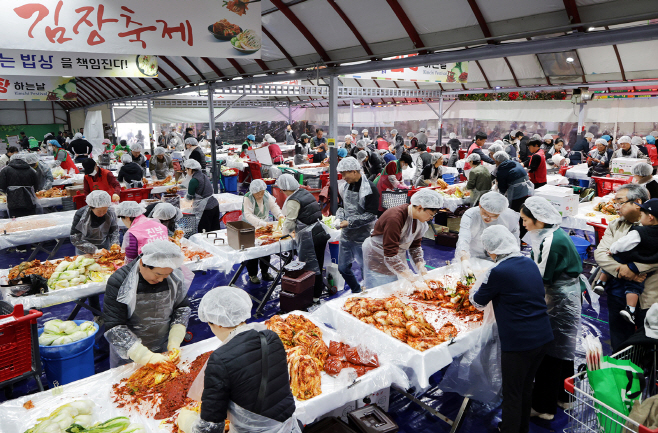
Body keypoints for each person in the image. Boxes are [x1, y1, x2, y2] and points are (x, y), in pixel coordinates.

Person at [176, 286, 298, 433]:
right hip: (290, 427)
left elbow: (210, 429)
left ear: (219, 323)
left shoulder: (220, 359)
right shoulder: (271, 337)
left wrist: (187, 422)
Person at [470, 225, 553, 433]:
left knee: (512, 393)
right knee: (525, 388)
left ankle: (509, 429)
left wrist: (475, 285)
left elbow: (478, 302)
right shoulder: (528, 262)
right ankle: (520, 428)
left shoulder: (499, 271)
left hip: (519, 343)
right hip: (543, 336)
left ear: (492, 250)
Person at [519, 197, 584, 420]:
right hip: (565, 295)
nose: (524, 224)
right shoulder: (550, 234)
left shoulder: (551, 241)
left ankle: (543, 407)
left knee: (549, 353)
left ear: (538, 219)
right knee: (562, 351)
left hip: (559, 300)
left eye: (526, 220)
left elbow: (539, 280)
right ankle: (564, 397)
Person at [103, 240, 191, 368]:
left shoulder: (174, 278)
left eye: (167, 274)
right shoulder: (120, 281)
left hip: (163, 346)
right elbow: (114, 326)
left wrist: (174, 340)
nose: (161, 279)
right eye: (158, 274)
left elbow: (181, 308)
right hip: (130, 352)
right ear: (142, 263)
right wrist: (144, 356)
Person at [593, 184, 656, 351]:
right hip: (617, 292)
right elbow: (601, 254)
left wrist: (635, 268)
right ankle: (621, 373)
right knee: (620, 341)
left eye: (620, 202)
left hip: (648, 296)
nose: (615, 206)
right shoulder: (616, 225)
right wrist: (622, 270)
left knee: (646, 343)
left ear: (637, 202)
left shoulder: (654, 227)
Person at [362, 189, 443, 289]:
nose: (431, 218)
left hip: (396, 258)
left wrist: (423, 271)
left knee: (398, 289)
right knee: (380, 294)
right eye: (431, 215)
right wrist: (413, 280)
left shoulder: (419, 221)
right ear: (420, 208)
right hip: (378, 258)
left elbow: (415, 247)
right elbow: (390, 255)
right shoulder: (395, 218)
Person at [276, 174, 330, 302]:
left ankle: (313, 296)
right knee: (319, 264)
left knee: (311, 267)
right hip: (319, 231)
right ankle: (317, 291)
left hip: (309, 236)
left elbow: (290, 222)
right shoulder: (304, 192)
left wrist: (282, 235)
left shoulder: (293, 200)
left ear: (284, 189)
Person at [336, 157, 379, 294]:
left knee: (365, 270)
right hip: (347, 235)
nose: (343, 177)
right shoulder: (347, 186)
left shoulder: (369, 189)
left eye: (344, 174)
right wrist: (339, 218)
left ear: (354, 171)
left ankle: (369, 294)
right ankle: (356, 289)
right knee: (342, 268)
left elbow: (371, 215)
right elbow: (343, 207)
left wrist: (350, 222)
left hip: (362, 237)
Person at [456, 192, 521, 272]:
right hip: (474, 256)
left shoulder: (510, 217)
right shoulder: (471, 215)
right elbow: (463, 238)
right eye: (485, 213)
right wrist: (464, 259)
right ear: (480, 205)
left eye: (494, 216)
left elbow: (515, 244)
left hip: (498, 258)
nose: (488, 218)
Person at [241, 179, 282, 284]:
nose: (260, 195)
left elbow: (273, 207)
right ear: (253, 192)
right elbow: (248, 215)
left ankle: (265, 272)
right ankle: (252, 274)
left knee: (266, 249)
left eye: (262, 193)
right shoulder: (248, 198)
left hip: (264, 226)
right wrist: (261, 223)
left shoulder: (266, 195)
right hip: (251, 226)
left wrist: (280, 215)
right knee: (253, 251)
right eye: (257, 194)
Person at [70, 190, 119, 254]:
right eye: (99, 211)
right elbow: (75, 238)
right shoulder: (81, 214)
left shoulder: (110, 212)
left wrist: (114, 246)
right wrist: (95, 251)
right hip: (85, 251)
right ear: (90, 207)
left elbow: (114, 232)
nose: (102, 213)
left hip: (104, 248)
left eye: (105, 210)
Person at [184, 159, 220, 233]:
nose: (186, 172)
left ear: (190, 169)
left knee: (204, 233)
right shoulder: (203, 175)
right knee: (215, 231)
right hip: (214, 205)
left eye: (186, 170)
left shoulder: (193, 180)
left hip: (205, 208)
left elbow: (190, 197)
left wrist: (185, 199)